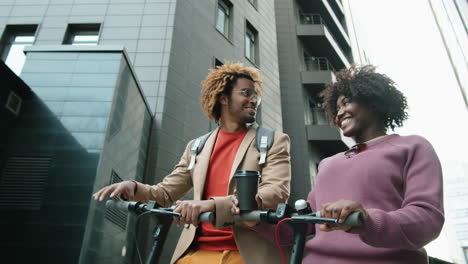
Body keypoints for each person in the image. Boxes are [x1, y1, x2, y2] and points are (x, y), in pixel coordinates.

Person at [235, 64, 444, 264]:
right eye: (336, 109)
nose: (339, 113)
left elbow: (427, 219)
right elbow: (304, 227)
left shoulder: (412, 146)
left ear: (373, 101)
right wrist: (257, 220)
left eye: (346, 103)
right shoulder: (328, 164)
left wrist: (367, 221)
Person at [93, 62, 291, 264]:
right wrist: (134, 188)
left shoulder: (273, 141)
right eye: (246, 93)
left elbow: (275, 193)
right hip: (194, 254)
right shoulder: (197, 147)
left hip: (247, 255)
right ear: (223, 98)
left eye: (255, 95)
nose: (253, 100)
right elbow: (165, 193)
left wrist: (211, 205)